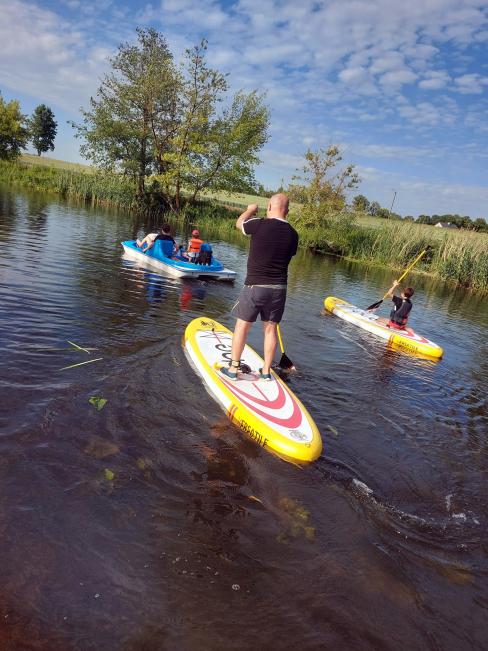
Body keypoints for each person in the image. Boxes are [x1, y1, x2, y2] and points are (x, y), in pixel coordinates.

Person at [220, 194, 298, 382]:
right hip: (279, 289)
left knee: (242, 327)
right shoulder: (293, 234)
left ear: (270, 206)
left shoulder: (259, 224)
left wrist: (250, 210)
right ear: (287, 211)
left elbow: (239, 224)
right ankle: (265, 372)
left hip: (255, 286)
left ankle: (233, 369)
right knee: (270, 330)